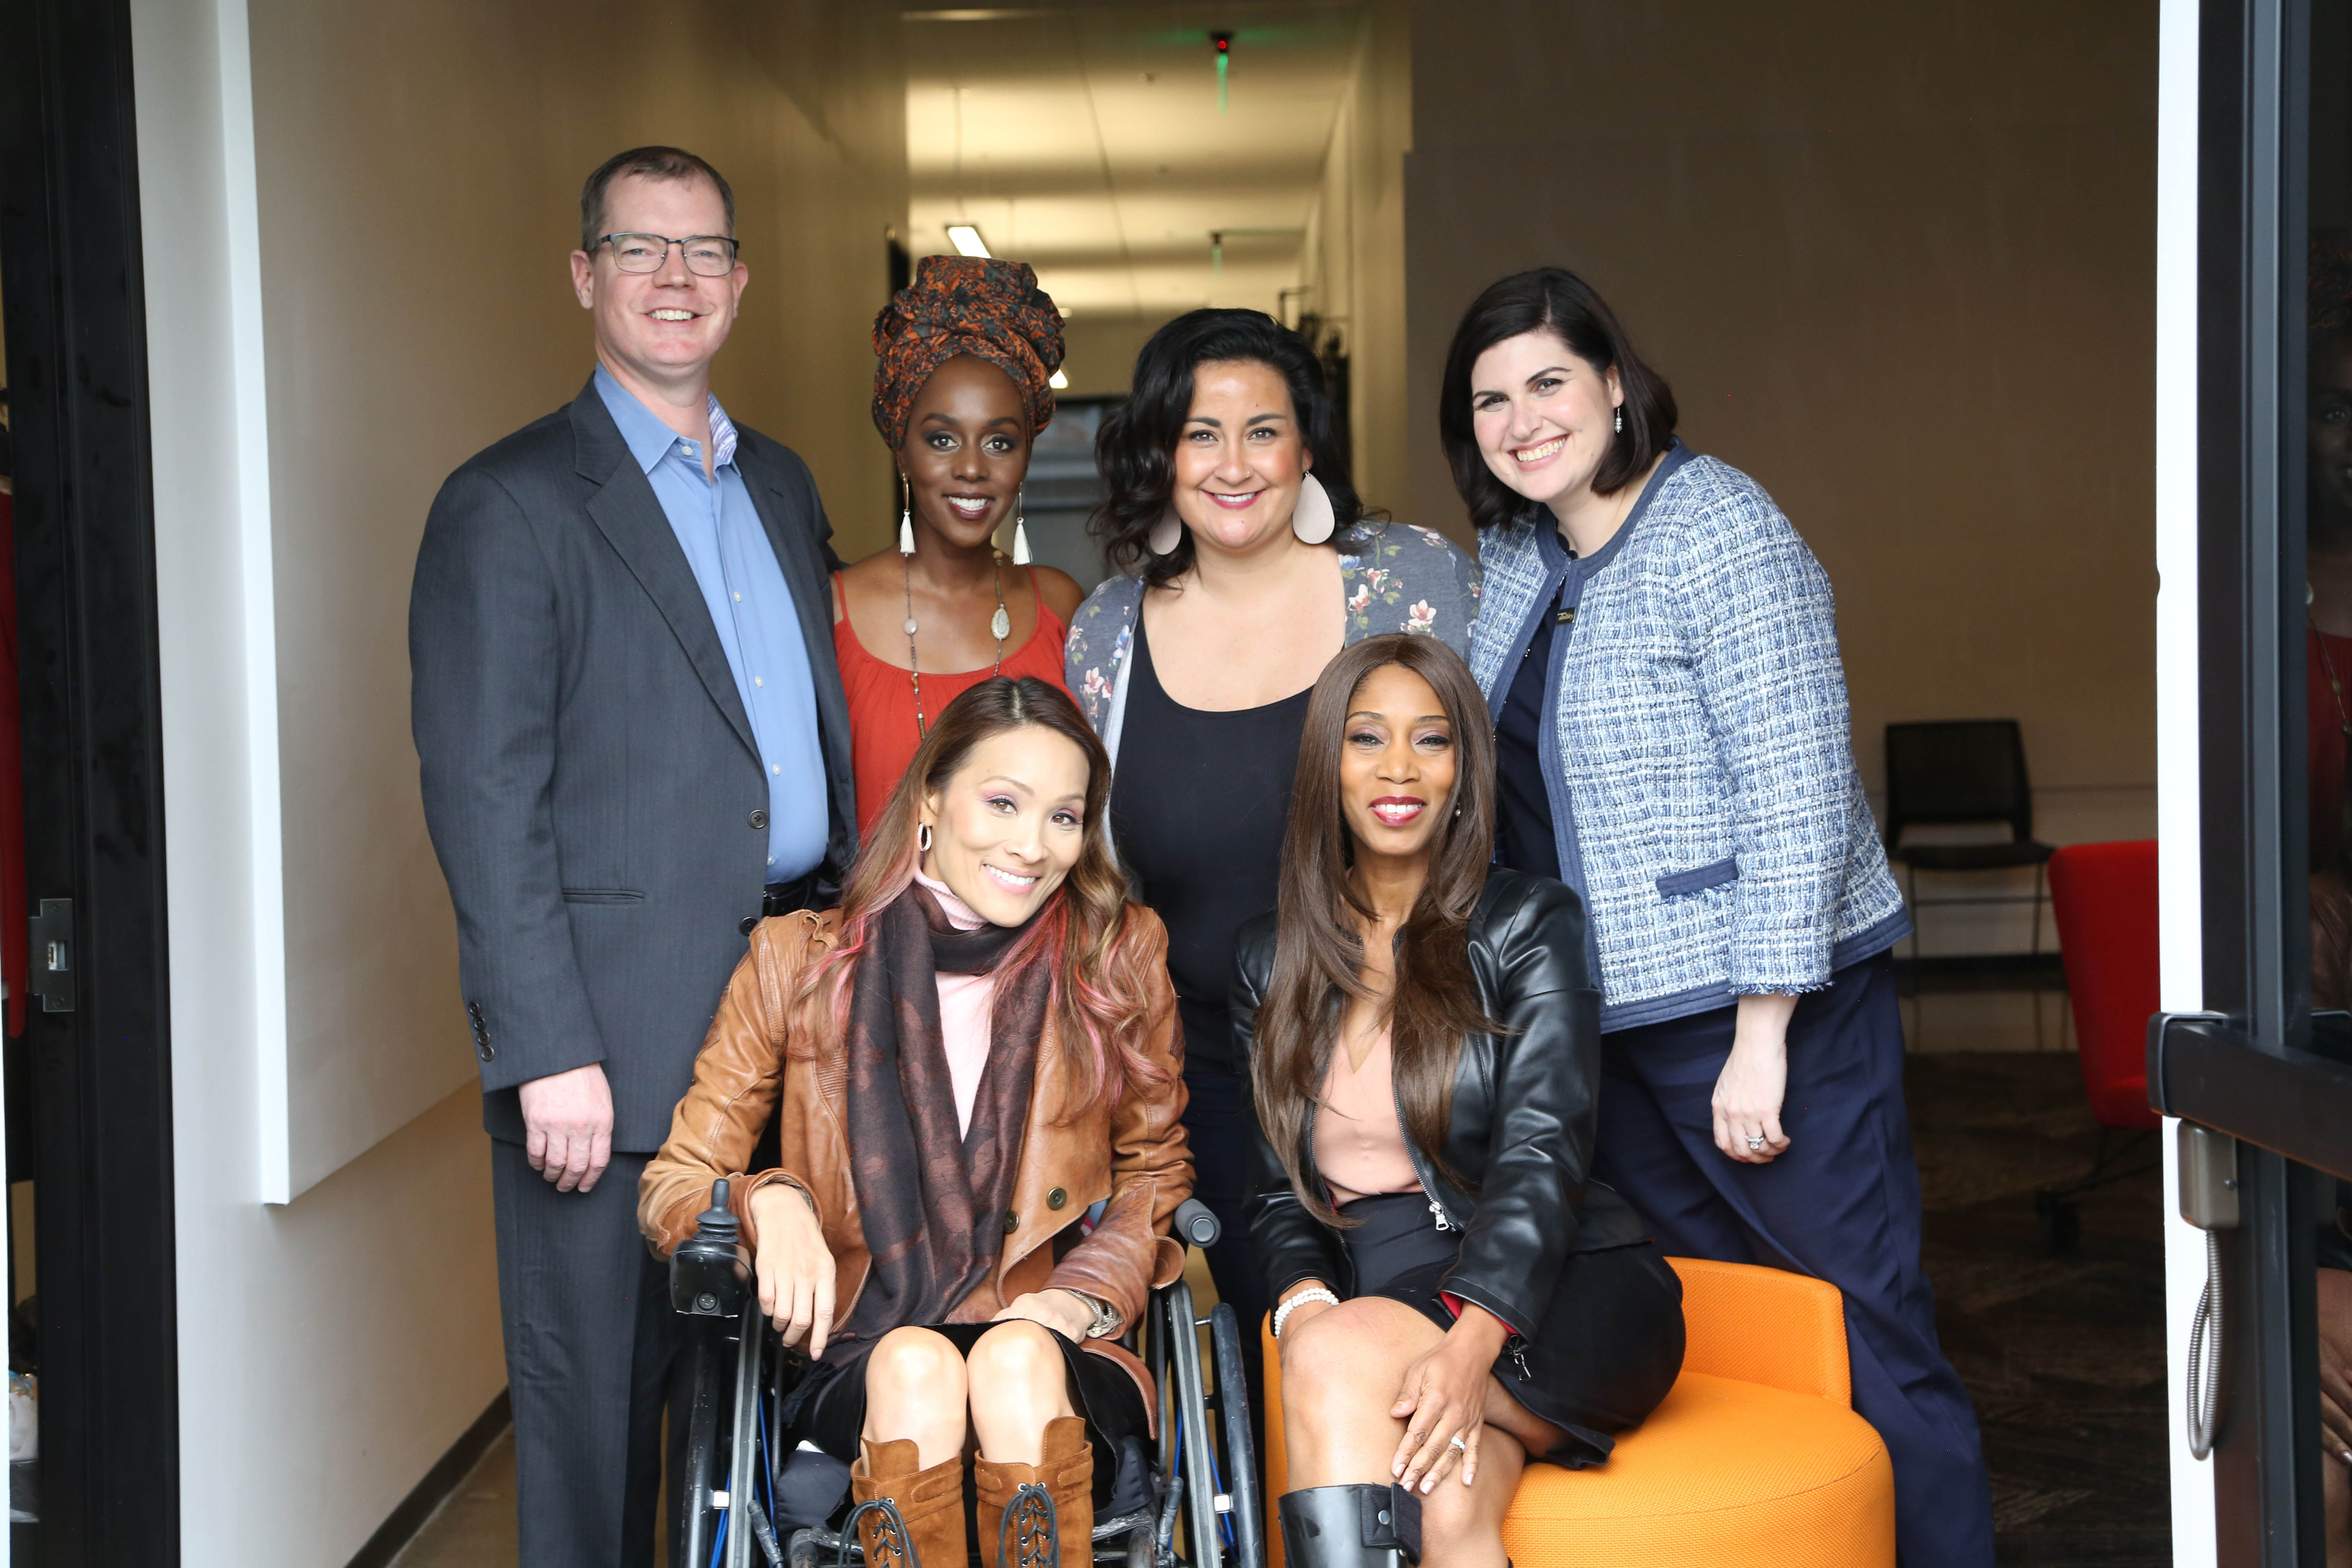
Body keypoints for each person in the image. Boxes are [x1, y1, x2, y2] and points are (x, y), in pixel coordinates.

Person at [1445, 267, 1992, 1566]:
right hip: (1605, 1026)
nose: (1523, 421)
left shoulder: (1720, 525)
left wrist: (1764, 1028)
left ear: (1616, 383)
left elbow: (1798, 783)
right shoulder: (1517, 557)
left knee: (1861, 1323)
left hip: (1761, 1014)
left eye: (1549, 383)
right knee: (1724, 1330)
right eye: (1489, 400)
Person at [409, 145, 855, 1566]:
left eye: (704, 251)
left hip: (796, 1021)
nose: (676, 278)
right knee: (601, 1428)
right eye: (641, 248)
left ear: (740, 283)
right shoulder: (511, 503)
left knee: (780, 1418)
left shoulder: (782, 486)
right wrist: (545, 1045)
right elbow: (486, 794)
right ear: (584, 273)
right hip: (609, 1050)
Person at [639, 676, 1191, 1568]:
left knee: (1010, 1357)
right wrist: (765, 1202)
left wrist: (1082, 1295)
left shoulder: (1117, 951)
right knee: (916, 1364)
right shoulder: (798, 962)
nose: (1033, 844)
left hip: (1053, 1338)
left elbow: (1154, 1170)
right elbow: (674, 1183)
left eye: (1064, 816)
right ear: (931, 800)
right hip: (866, 1349)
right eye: (1004, 802)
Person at [1065, 309, 1480, 1410]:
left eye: (1265, 429)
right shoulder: (1107, 631)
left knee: (1424, 1367)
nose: (1234, 462)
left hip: (1405, 1062)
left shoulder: (1410, 582)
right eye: (1202, 433)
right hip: (1214, 1075)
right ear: (1161, 452)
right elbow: (1102, 871)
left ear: (1308, 447)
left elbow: (1484, 806)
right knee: (1283, 1367)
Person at [1235, 635, 1682, 1568]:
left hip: (1554, 1289)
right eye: (1367, 738)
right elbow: (1276, 1187)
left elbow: (1543, 1150)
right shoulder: (1268, 957)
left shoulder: (1528, 921)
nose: (1399, 767)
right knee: (1446, 1511)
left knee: (1335, 1356)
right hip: (1381, 1296)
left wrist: (1473, 1339)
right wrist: (1306, 1301)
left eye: (1431, 740)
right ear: (1330, 763)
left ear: (1463, 768)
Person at [836, 256, 1083, 839]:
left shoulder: (1060, 605)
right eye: (942, 439)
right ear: (901, 449)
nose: (972, 468)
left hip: (1045, 928)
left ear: (1024, 459)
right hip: (876, 931)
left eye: (1000, 442)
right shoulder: (833, 611)